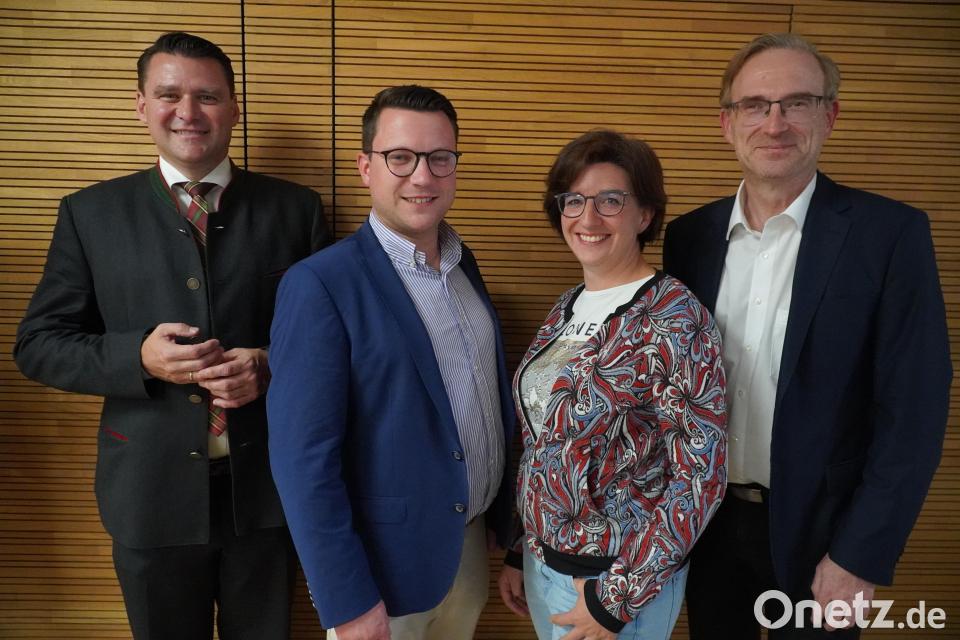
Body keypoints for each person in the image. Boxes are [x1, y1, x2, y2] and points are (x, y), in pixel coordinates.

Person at [13, 32, 330, 640]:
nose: (188, 112)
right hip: (147, 496)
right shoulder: (89, 214)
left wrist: (269, 364)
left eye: (207, 96)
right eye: (169, 95)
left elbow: (331, 344)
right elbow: (38, 345)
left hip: (268, 495)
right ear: (141, 106)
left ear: (234, 107)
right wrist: (137, 356)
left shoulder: (296, 209)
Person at [662, 33, 951, 638]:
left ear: (830, 115)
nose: (775, 123)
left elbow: (913, 412)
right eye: (755, 105)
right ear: (727, 123)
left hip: (827, 535)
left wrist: (859, 554)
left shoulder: (889, 235)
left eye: (797, 102)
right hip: (706, 527)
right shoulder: (689, 238)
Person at [266, 84, 515, 640]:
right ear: (366, 167)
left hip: (468, 548)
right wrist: (346, 600)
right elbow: (302, 460)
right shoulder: (320, 284)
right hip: (381, 575)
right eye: (400, 157)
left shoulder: (463, 265)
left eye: (439, 158)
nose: (422, 176)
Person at [498, 129, 727, 640]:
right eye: (574, 200)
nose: (588, 218)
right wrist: (520, 547)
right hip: (543, 561)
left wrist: (615, 600)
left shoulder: (675, 319)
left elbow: (701, 476)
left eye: (610, 200)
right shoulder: (568, 306)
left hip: (611, 584)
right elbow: (544, 441)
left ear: (644, 215)